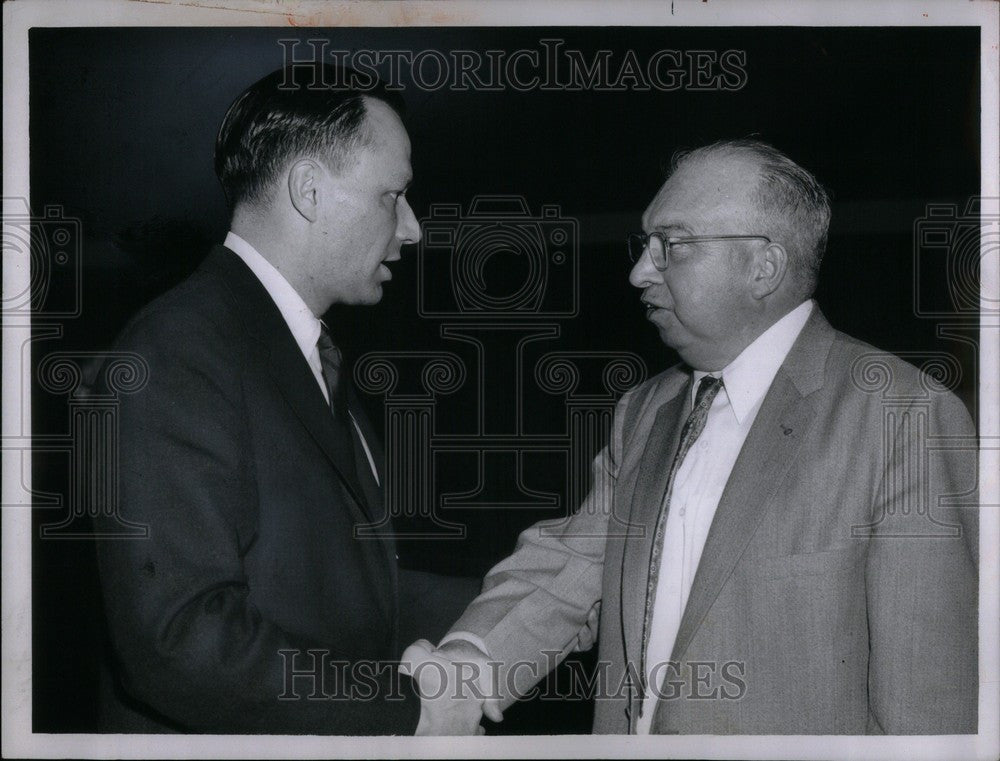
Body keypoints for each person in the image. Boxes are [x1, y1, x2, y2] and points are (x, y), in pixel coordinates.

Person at [405, 139, 979, 735]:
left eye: (672, 246)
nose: (638, 272)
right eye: (644, 245)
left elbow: (928, 707)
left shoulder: (902, 416)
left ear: (764, 266)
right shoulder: (645, 409)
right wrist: (465, 673)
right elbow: (572, 567)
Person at [93, 64, 428, 733]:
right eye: (394, 196)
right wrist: (407, 708)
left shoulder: (298, 354)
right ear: (309, 189)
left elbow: (348, 587)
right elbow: (181, 640)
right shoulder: (173, 350)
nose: (413, 229)